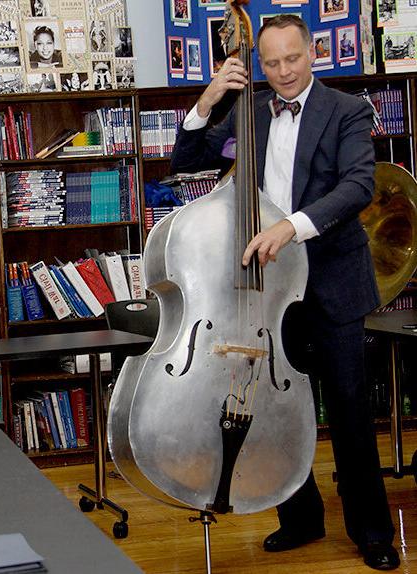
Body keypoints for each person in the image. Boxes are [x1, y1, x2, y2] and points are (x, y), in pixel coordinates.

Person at [170, 15, 398, 570]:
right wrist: (207, 101)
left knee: (348, 413)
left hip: (331, 286)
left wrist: (288, 226)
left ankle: (372, 533)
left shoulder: (348, 111)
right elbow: (186, 162)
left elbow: (357, 186)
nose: (282, 72)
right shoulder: (247, 110)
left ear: (312, 52)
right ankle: (299, 518)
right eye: (269, 63)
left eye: (291, 59)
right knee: (276, 411)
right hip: (268, 295)